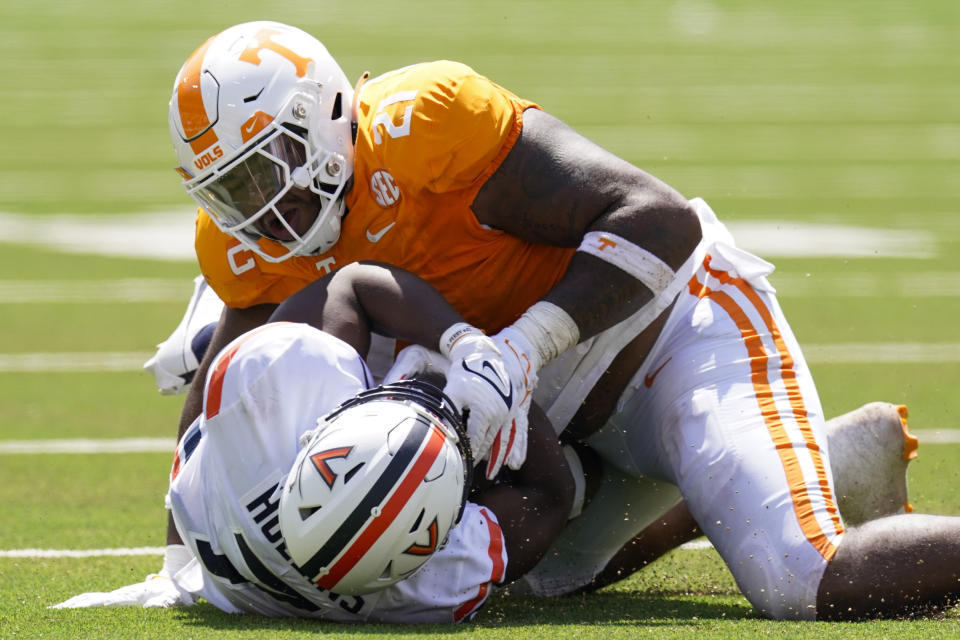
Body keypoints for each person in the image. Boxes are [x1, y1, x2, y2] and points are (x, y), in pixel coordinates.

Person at [151, 20, 960, 620]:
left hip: (672, 337)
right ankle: (817, 461)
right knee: (468, 573)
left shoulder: (425, 122)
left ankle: (756, 476)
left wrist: (522, 346)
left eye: (274, 164)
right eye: (234, 191)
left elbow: (658, 219)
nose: (265, 206)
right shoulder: (244, 248)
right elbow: (216, 416)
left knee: (800, 578)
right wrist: (180, 560)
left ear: (326, 110)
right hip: (544, 415)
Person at [53, 263, 574, 621]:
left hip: (211, 502)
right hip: (230, 534)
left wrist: (458, 349)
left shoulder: (271, 382)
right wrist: (502, 376)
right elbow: (555, 493)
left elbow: (348, 282)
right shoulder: (438, 582)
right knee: (595, 489)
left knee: (257, 338)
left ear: (320, 431)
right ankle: (231, 313)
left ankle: (216, 322)